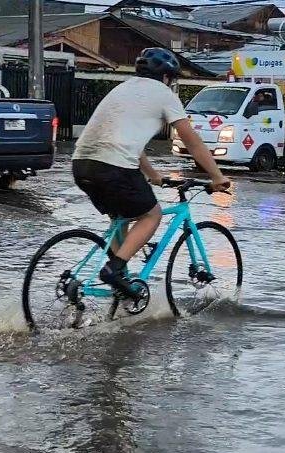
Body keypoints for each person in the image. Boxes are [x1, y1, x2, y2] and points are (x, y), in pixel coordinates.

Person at [72, 47, 231, 298]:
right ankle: (114, 270)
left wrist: (154, 176)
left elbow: (130, 145)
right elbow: (192, 141)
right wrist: (217, 176)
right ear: (167, 77)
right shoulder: (163, 94)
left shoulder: (122, 89)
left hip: (81, 165)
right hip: (114, 167)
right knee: (151, 215)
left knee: (120, 218)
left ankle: (120, 284)